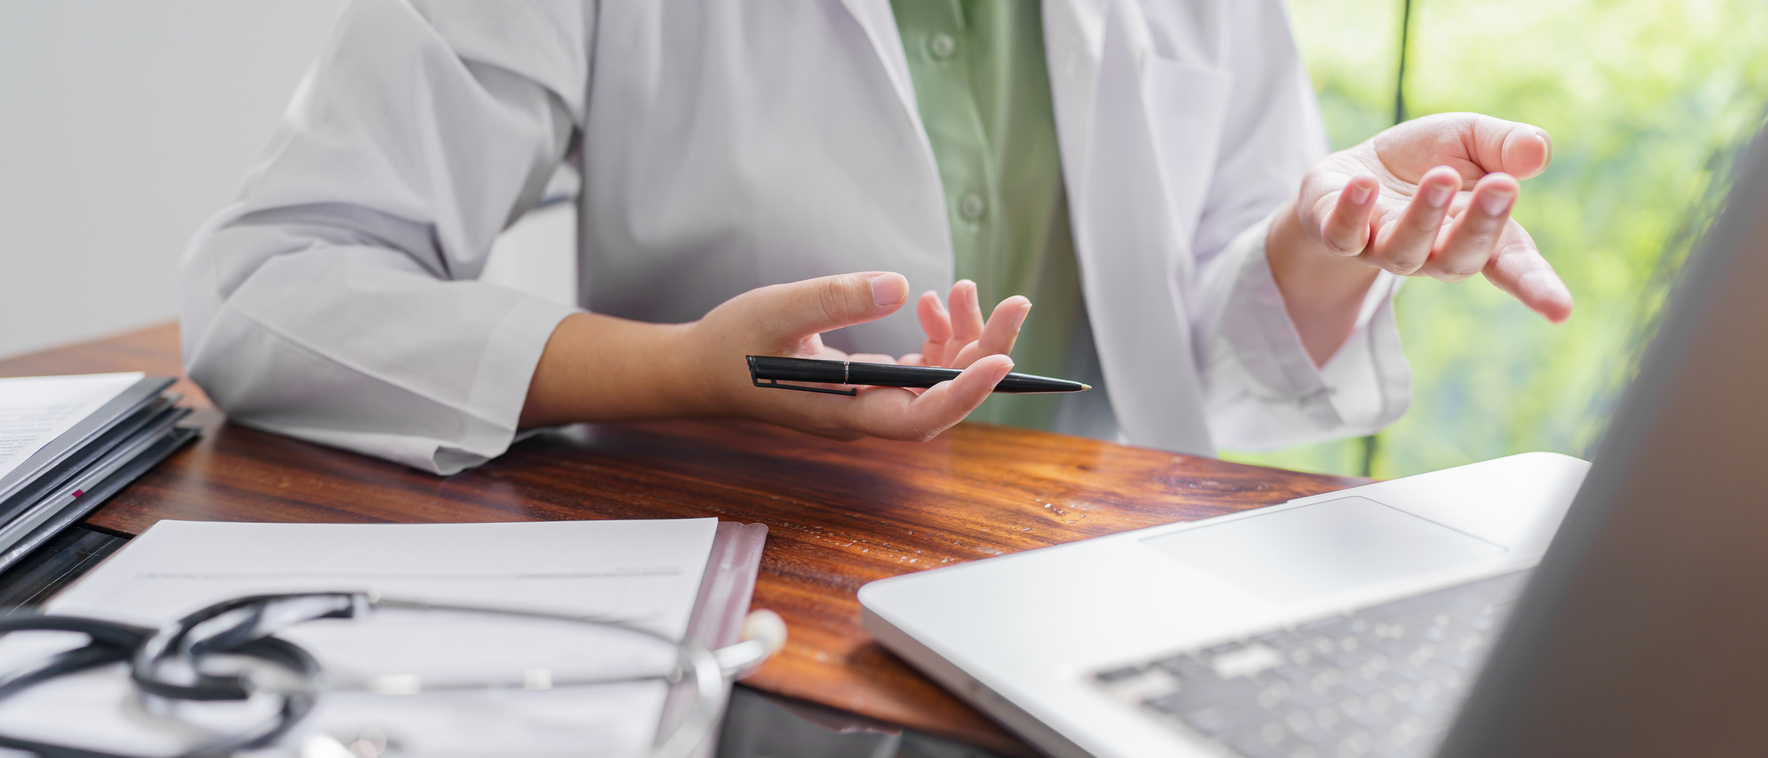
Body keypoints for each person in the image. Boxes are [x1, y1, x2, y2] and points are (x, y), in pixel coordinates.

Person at [179, 0, 1571, 475]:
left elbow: (1207, 338)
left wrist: (1327, 243)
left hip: (1103, 579)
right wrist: (675, 372)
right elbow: (269, 290)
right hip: (767, 619)